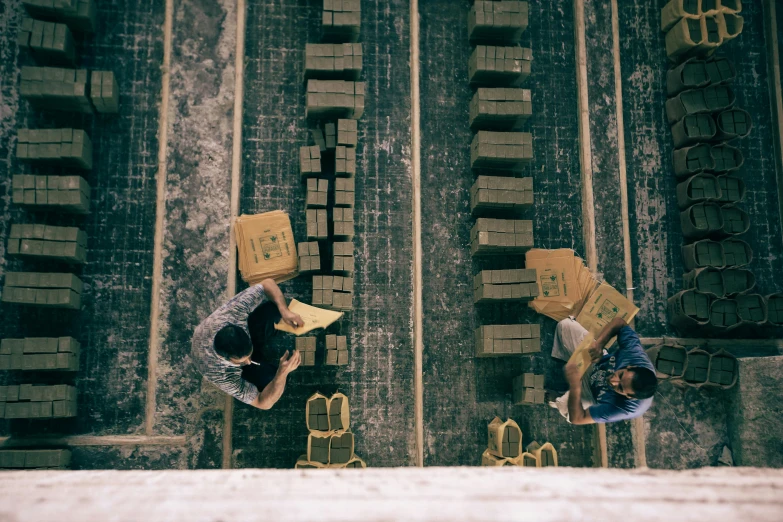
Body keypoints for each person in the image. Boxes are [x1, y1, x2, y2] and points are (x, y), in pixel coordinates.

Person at [191, 279, 304, 410]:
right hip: (210, 360)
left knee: (275, 311)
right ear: (225, 358)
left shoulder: (233, 314)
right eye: (241, 361)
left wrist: (284, 310)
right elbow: (262, 403)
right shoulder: (221, 374)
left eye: (249, 355)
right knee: (273, 382)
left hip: (217, 329)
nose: (249, 362)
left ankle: (258, 341)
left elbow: (267, 284)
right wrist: (281, 374)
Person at [550, 316, 657, 424]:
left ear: (629, 396)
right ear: (631, 367)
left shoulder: (625, 409)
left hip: (592, 394)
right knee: (565, 326)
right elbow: (620, 323)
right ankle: (567, 361)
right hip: (597, 362)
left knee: (567, 408)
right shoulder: (634, 354)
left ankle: (561, 397)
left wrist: (575, 386)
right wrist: (600, 344)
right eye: (620, 375)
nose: (612, 381)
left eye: (620, 387)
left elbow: (578, 419)